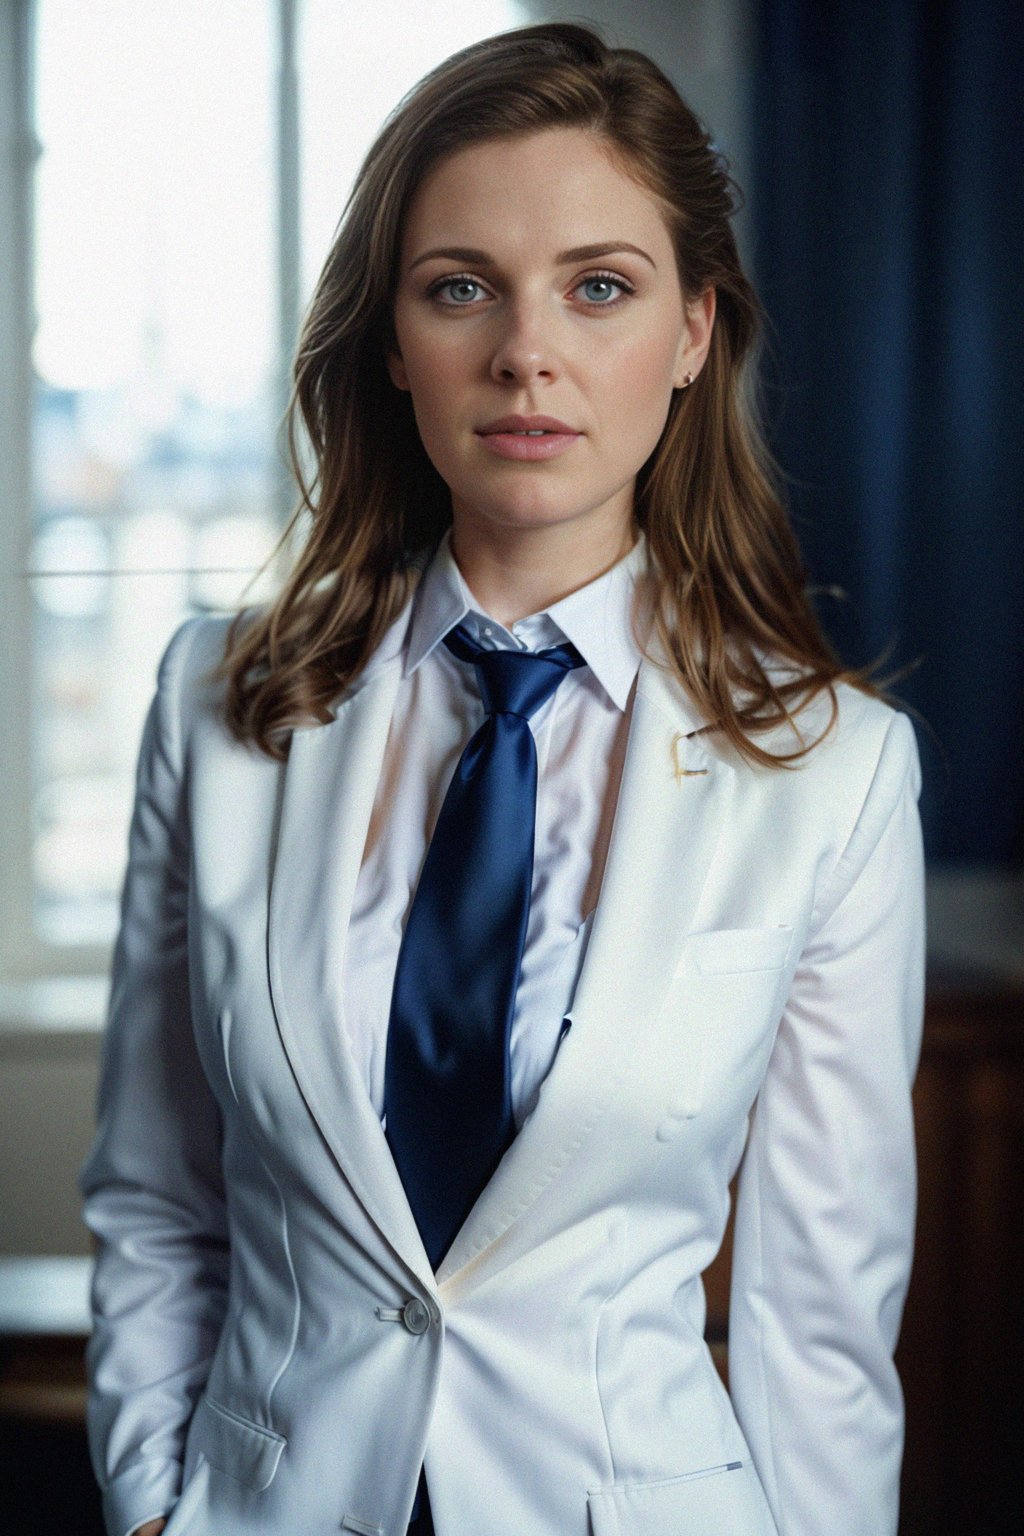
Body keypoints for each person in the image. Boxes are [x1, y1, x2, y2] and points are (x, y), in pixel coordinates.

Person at [78, 21, 926, 1536]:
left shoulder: (836, 774)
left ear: (691, 333)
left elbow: (820, 1314)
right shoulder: (213, 707)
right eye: (461, 286)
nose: (527, 350)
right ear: (394, 343)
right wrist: (155, 1503)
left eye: (600, 287)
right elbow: (159, 1196)